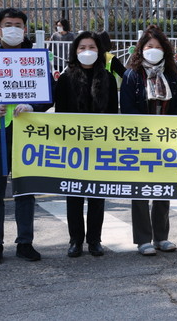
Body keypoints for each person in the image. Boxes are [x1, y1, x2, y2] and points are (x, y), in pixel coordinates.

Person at [0, 8, 52, 266]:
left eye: (18, 25)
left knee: (25, 191)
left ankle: (25, 243)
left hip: (25, 133)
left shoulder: (36, 59)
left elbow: (47, 96)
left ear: (25, 29)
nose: (14, 29)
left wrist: (32, 106)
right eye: (8, 24)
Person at [120, 25, 177, 256]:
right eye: (149, 46)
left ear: (164, 50)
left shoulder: (171, 75)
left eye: (158, 46)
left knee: (163, 190)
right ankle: (143, 240)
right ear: (141, 49)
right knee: (140, 191)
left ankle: (161, 237)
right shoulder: (131, 75)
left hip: (167, 142)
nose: (153, 50)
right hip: (140, 142)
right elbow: (127, 108)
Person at [54, 31, 118, 258]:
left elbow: (113, 114)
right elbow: (60, 114)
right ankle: (75, 240)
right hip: (73, 147)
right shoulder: (65, 79)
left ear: (99, 51)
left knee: (97, 196)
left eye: (92, 47)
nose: (87, 51)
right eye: (82, 47)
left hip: (100, 146)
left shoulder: (108, 78)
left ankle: (94, 240)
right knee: (74, 195)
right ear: (75, 51)